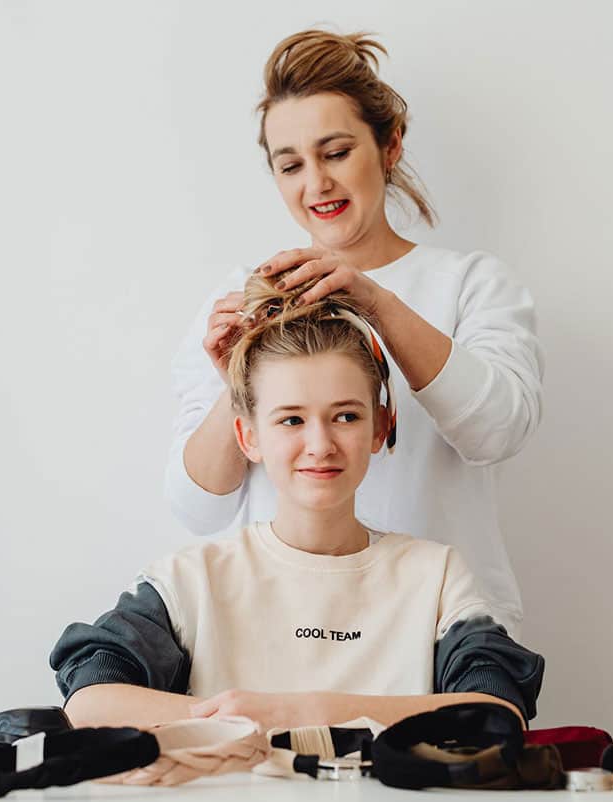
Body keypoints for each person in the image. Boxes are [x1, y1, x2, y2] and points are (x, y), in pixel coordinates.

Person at [165, 28, 544, 635]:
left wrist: (377, 301)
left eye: (336, 153)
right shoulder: (242, 294)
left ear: (389, 146)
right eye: (290, 165)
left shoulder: (472, 283)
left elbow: (498, 430)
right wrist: (234, 383)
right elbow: (197, 507)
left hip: (444, 630)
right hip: (286, 628)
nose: (315, 183)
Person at [52, 276, 544, 732]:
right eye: (291, 420)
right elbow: (90, 702)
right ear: (248, 436)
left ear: (380, 427)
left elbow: (496, 714)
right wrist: (245, 721)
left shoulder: (435, 576)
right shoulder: (193, 580)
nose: (320, 444)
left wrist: (305, 711)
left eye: (346, 416)